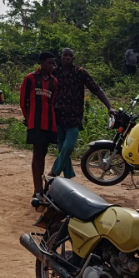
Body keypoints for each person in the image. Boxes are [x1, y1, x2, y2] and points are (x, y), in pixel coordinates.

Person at [50, 48, 115, 179]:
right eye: (65, 55)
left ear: (73, 58)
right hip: (57, 116)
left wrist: (110, 107)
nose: (67, 58)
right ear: (60, 57)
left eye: (70, 56)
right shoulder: (54, 72)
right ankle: (68, 177)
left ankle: (54, 173)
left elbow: (96, 89)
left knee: (68, 147)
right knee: (61, 147)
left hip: (74, 117)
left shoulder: (80, 72)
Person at [21, 52, 58, 197]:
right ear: (41, 63)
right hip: (35, 122)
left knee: (43, 152)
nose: (52, 66)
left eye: (53, 63)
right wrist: (28, 118)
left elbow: (52, 101)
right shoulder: (30, 78)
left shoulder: (54, 81)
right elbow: (23, 101)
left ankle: (41, 188)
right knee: (37, 153)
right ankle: (37, 190)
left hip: (49, 122)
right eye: (49, 63)